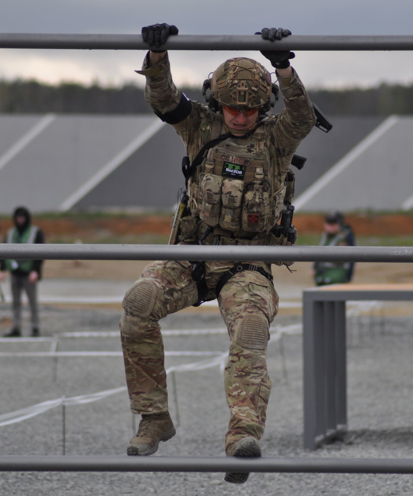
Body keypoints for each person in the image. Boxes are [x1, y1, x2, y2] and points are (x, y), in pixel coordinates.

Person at [120, 24, 315, 484]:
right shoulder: (199, 126)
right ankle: (153, 418)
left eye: (249, 109)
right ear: (217, 103)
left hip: (246, 263)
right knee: (138, 304)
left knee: (250, 329)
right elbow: (164, 99)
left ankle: (242, 436)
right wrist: (157, 54)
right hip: (193, 254)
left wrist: (283, 68)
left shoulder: (275, 140)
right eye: (232, 107)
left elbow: (303, 117)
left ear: (261, 107)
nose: (241, 117)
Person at [0, 207, 45, 337]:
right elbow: (3, 251)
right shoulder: (11, 233)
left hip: (28, 273)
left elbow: (40, 253)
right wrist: (2, 269)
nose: (20, 220)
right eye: (18, 217)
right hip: (15, 273)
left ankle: (35, 327)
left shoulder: (35, 232)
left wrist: (36, 270)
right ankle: (16, 327)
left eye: (22, 217)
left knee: (32, 302)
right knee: (15, 303)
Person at [313, 211, 355, 286]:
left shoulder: (344, 237)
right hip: (322, 275)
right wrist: (315, 268)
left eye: (334, 223)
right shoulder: (325, 236)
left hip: (336, 276)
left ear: (339, 224)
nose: (331, 226)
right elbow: (318, 252)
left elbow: (343, 259)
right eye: (329, 223)